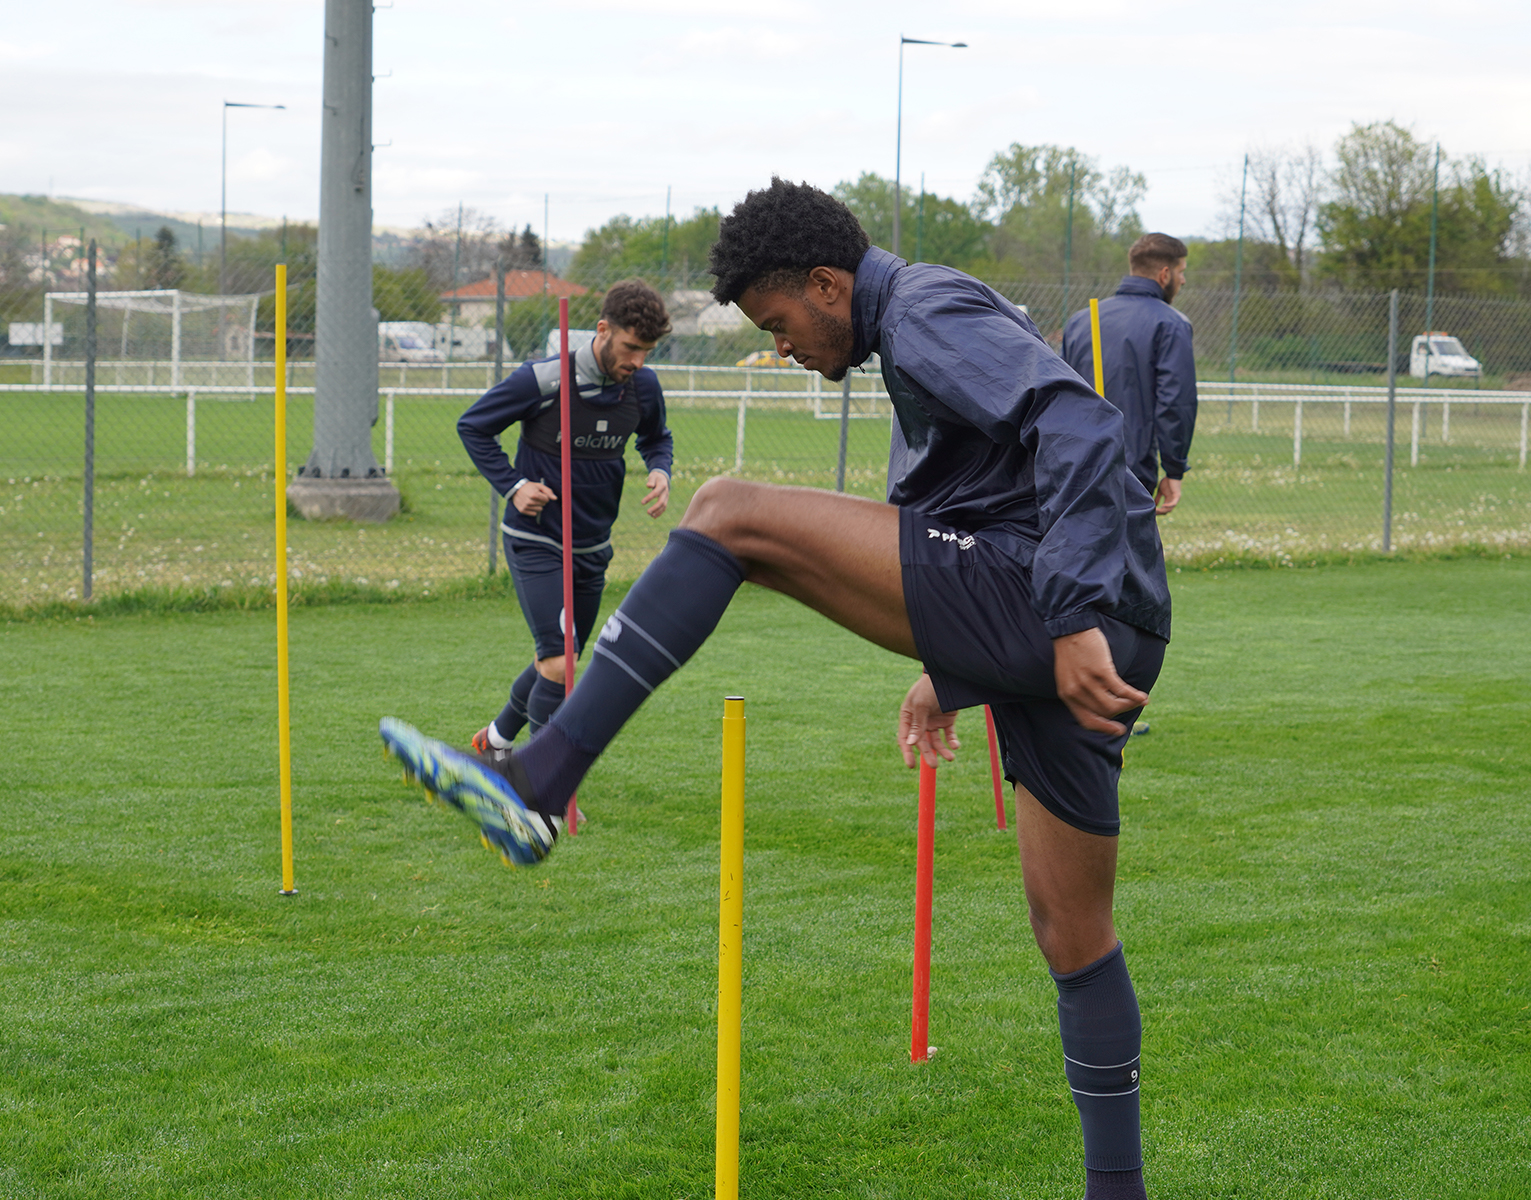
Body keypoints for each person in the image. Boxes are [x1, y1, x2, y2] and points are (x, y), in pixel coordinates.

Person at [382, 178, 1170, 1200]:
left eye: (781, 323)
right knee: (1073, 932)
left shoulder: (924, 309)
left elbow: (1080, 425)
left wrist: (1060, 619)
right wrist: (957, 667)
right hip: (1105, 614)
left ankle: (540, 779)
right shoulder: (916, 327)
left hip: (1070, 603)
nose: (784, 347)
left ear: (830, 284)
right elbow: (1000, 483)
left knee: (727, 512)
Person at [455, 279, 674, 761]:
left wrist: (659, 470)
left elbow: (656, 437)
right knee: (560, 663)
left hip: (593, 545)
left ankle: (491, 742)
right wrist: (514, 486)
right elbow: (473, 426)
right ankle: (540, 783)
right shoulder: (544, 380)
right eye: (631, 347)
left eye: (647, 351)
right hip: (537, 540)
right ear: (602, 330)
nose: (636, 361)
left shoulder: (643, 385)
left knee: (559, 659)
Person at [1062, 233, 1197, 518]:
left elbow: (1058, 393)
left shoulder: (1080, 320)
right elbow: (1175, 403)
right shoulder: (1171, 324)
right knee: (1126, 556)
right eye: (1181, 272)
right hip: (1130, 472)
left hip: (1073, 466)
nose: (1183, 280)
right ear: (1164, 274)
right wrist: (1174, 470)